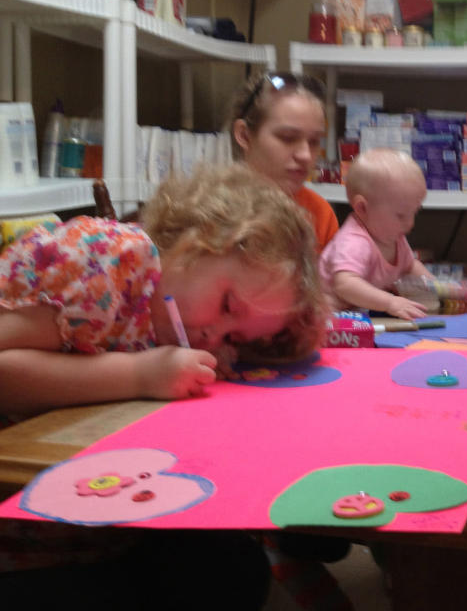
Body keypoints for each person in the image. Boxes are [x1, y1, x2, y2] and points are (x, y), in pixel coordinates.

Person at [0, 163, 323, 610]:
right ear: (197, 239)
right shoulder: (108, 259)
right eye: (227, 305)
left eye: (235, 336)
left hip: (102, 523)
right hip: (20, 541)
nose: (214, 336)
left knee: (234, 566)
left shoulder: (175, 323)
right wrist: (139, 375)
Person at [319, 147, 433, 320]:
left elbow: (410, 266)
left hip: (362, 314)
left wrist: (438, 289)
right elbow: (345, 284)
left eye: (414, 213)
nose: (410, 223)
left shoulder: (393, 236)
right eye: (401, 215)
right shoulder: (354, 241)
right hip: (330, 319)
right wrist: (390, 302)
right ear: (362, 208)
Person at [230, 70, 339, 250]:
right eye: (288, 138)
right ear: (244, 136)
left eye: (314, 141)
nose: (305, 155)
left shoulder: (319, 213)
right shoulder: (209, 212)